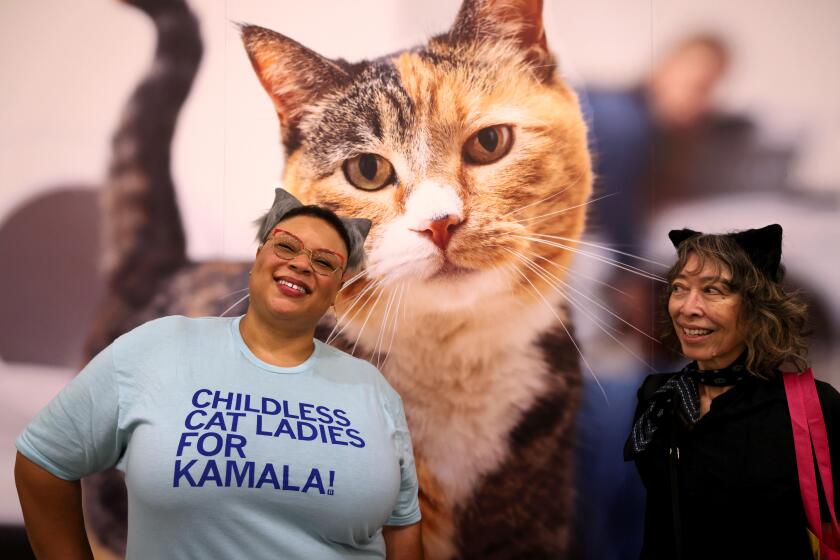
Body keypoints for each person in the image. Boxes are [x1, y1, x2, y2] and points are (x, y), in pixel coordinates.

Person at [14, 188, 424, 559]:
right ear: (257, 260)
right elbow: (44, 460)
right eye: (286, 247)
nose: (301, 264)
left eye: (324, 261)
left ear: (338, 291)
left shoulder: (374, 389)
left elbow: (403, 527)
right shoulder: (158, 346)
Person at [624, 223, 840, 559]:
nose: (687, 307)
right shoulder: (657, 399)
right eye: (679, 288)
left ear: (756, 309)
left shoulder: (814, 405)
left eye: (712, 291)